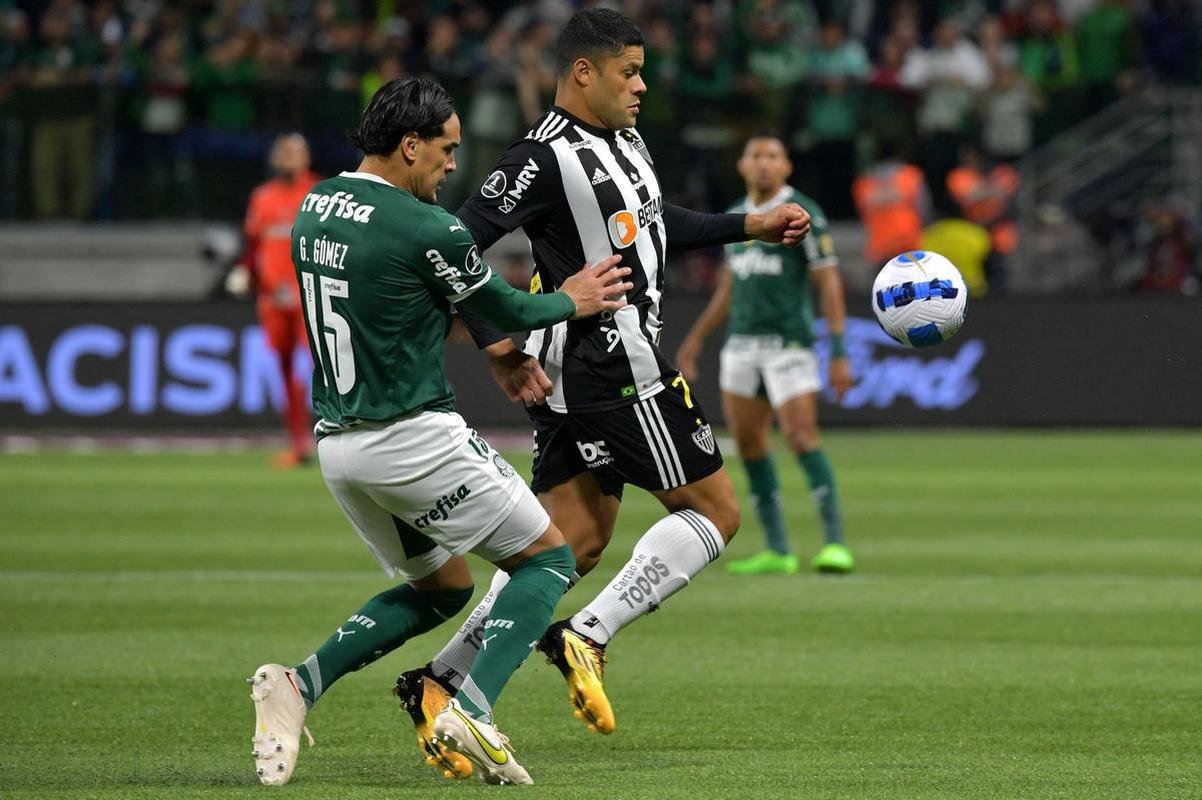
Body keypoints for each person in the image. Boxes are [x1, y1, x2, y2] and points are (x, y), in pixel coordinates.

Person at [393, 8, 811, 774]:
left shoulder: (623, 138)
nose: (642, 85)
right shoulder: (540, 159)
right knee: (716, 514)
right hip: (618, 369)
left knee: (569, 545)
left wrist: (746, 226)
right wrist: (494, 347)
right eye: (630, 71)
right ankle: (585, 635)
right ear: (583, 72)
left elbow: (656, 225)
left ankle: (439, 681)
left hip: (580, 379)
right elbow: (450, 247)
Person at [247, 77, 634, 787]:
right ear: (410, 144)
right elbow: (508, 304)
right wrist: (572, 298)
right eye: (447, 151)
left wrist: (487, 344)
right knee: (547, 561)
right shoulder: (426, 227)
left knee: (444, 588)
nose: (454, 166)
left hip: (340, 448)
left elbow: (404, 305)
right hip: (411, 437)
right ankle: (473, 711)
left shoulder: (315, 206)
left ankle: (297, 685)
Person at [675, 133, 854, 576]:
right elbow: (731, 284)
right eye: (755, 156)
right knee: (751, 445)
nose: (764, 164)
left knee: (800, 437)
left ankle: (834, 543)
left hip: (788, 344)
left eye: (773, 156)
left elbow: (828, 280)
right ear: (741, 165)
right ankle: (778, 549)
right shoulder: (738, 216)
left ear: (787, 167)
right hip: (740, 346)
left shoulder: (803, 213)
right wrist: (697, 338)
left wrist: (838, 350)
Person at [225, 134, 321, 468]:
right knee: (284, 371)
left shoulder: (319, 194)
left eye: (295, 151)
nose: (288, 157)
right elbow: (253, 245)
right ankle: (298, 445)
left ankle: (339, 439)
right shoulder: (262, 197)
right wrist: (244, 271)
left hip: (311, 298)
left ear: (307, 157)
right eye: (283, 151)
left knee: (321, 368)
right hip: (272, 299)